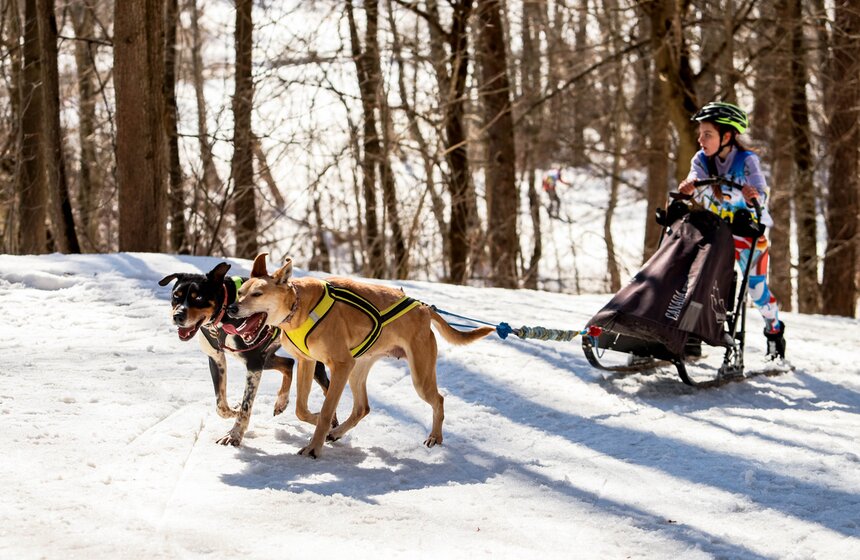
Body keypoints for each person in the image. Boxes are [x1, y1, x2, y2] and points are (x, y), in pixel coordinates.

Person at [677, 101, 786, 361]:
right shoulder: (701, 159)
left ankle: (774, 330)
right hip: (716, 231)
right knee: (698, 279)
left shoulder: (746, 160)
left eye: (708, 134)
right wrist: (688, 187)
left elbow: (761, 192)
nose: (700, 139)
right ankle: (691, 334)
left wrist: (753, 195)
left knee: (756, 289)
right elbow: (694, 179)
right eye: (700, 133)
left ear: (727, 136)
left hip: (747, 232)